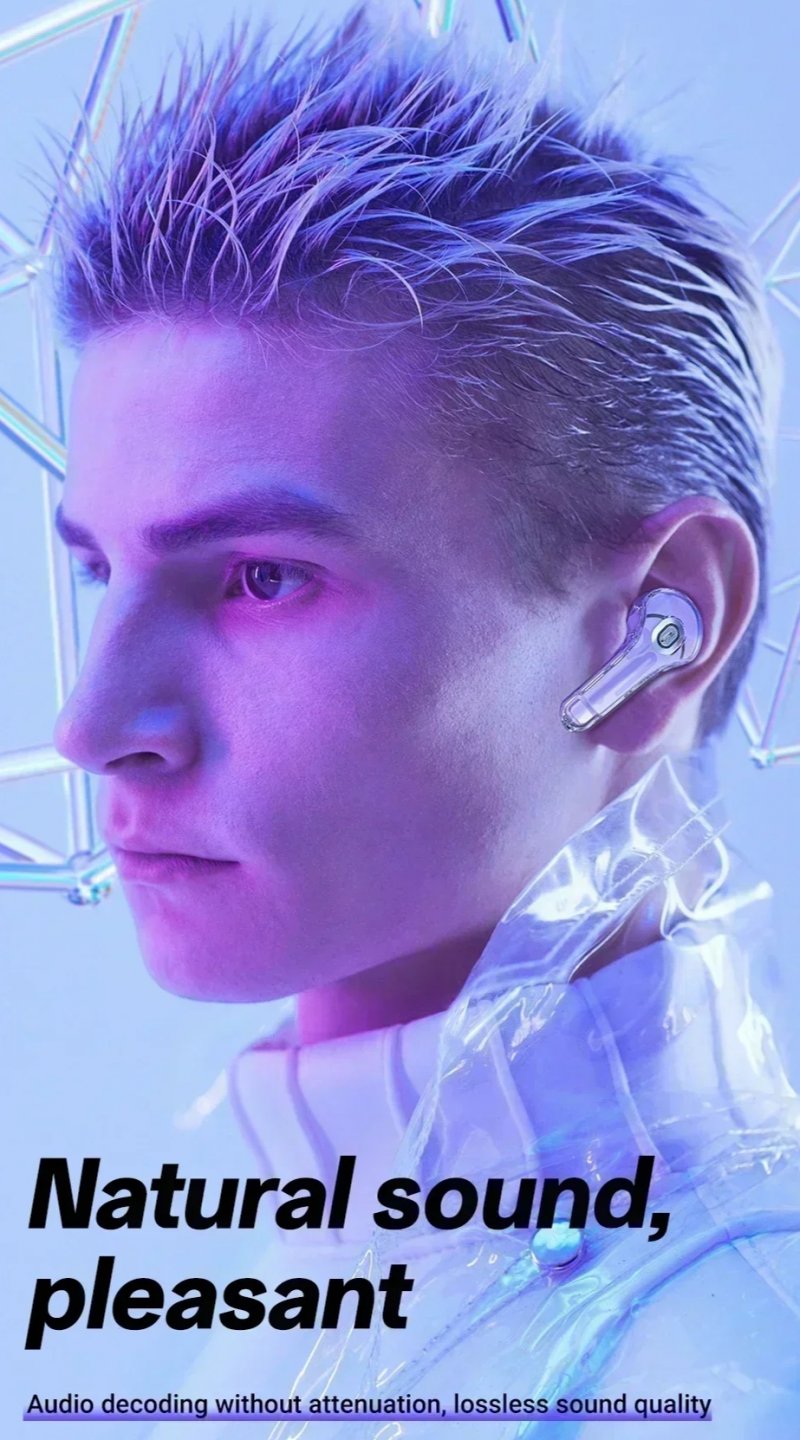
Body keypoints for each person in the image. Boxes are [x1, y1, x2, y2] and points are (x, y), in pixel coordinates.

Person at [49, 2, 800, 1434]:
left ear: (662, 630)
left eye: (261, 577)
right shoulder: (279, 1335)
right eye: (101, 570)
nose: (93, 725)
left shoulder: (739, 1365)